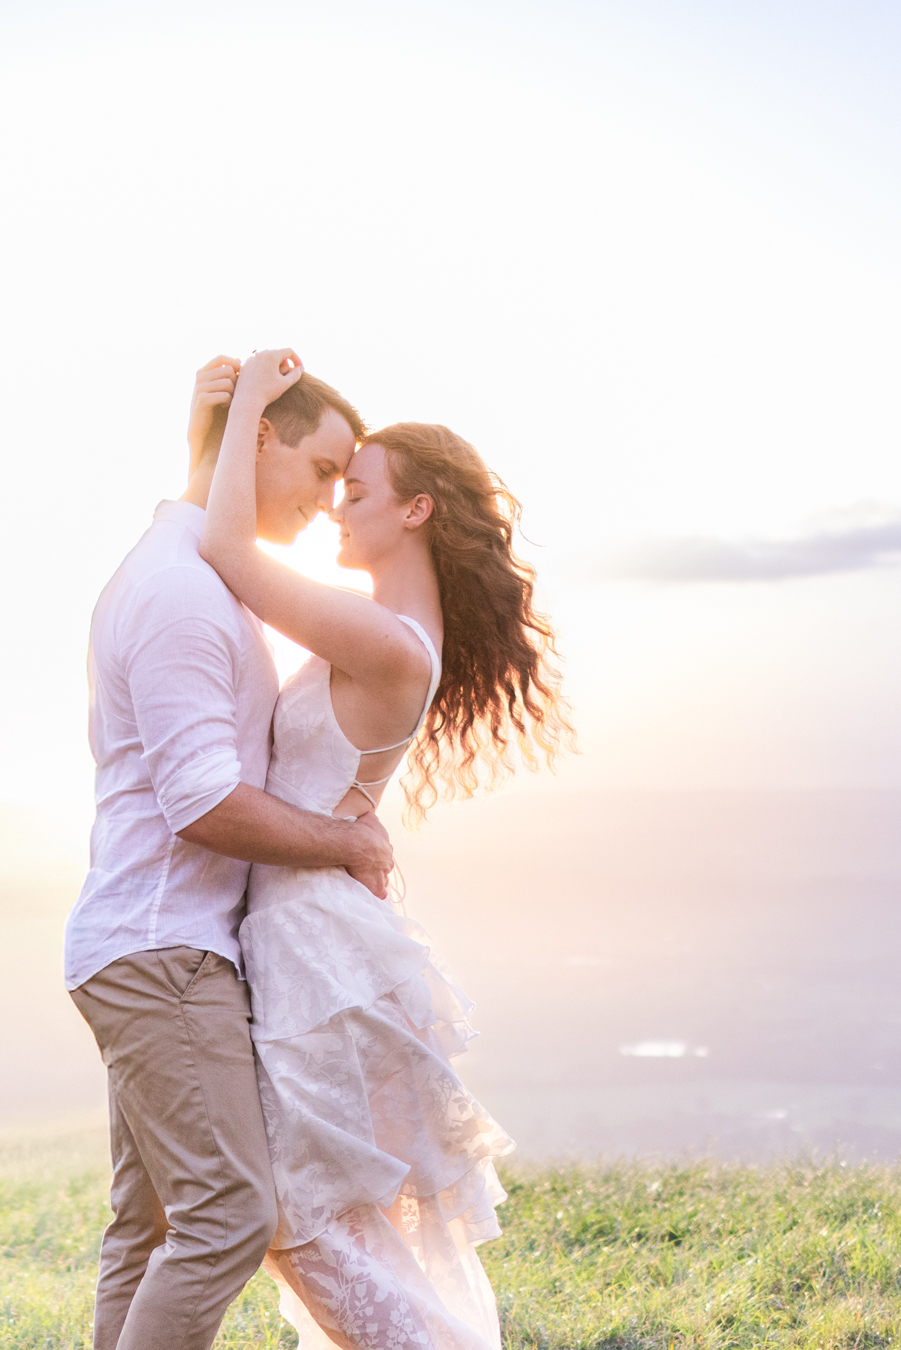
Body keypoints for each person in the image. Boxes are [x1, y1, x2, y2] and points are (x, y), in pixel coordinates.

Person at [199, 347, 574, 1350]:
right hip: (311, 931)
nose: (332, 507)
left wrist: (247, 417)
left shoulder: (392, 638)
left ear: (414, 513)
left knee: (294, 1214)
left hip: (315, 947)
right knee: (315, 1213)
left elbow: (227, 550)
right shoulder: (393, 628)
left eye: (352, 489)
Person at [64, 357, 395, 1350]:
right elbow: (203, 801)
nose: (331, 499)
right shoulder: (181, 593)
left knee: (152, 1223)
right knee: (227, 1218)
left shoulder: (187, 568)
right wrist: (346, 840)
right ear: (261, 438)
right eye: (324, 467)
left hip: (142, 944)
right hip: (167, 954)